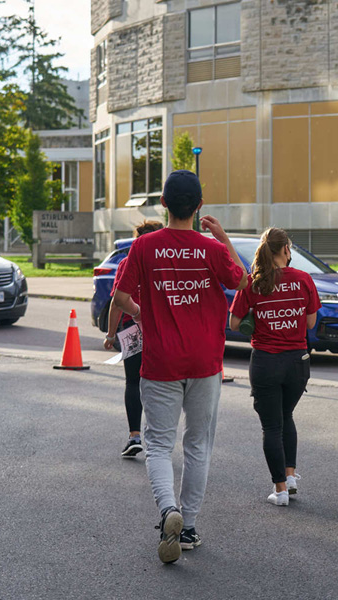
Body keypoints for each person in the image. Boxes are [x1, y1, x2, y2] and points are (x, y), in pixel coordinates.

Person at [113, 170, 247, 564]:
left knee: (156, 443)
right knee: (198, 445)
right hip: (205, 362)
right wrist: (222, 238)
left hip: (160, 362)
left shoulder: (145, 247)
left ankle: (168, 509)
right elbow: (242, 282)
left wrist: (147, 314)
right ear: (200, 206)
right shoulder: (210, 249)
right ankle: (187, 527)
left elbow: (120, 298)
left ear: (164, 205)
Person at [229, 228, 320, 507]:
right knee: (286, 415)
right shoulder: (304, 279)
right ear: (285, 250)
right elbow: (311, 324)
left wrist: (258, 316)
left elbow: (234, 325)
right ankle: (290, 477)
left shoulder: (253, 284)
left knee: (271, 426)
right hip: (297, 362)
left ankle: (280, 490)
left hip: (266, 361)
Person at [104, 220, 164, 458]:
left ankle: (134, 436)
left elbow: (117, 302)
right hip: (162, 329)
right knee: (160, 384)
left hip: (132, 331)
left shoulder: (127, 263)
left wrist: (110, 335)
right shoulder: (165, 263)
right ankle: (159, 437)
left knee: (133, 383)